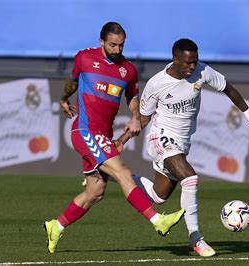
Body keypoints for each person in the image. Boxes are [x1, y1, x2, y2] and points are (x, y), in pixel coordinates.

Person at [116, 38, 249, 257]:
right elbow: (142, 119)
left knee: (157, 196)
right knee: (190, 178)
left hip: (182, 142)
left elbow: (228, 88)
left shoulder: (202, 71)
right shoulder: (156, 84)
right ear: (175, 59)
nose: (192, 67)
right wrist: (122, 140)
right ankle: (195, 238)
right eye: (188, 62)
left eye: (195, 62)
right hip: (160, 138)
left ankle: (113, 173)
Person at [43, 22, 185, 254]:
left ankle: (55, 226)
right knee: (123, 172)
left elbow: (132, 96)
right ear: (101, 41)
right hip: (85, 130)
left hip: (103, 134)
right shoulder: (85, 58)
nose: (117, 50)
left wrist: (135, 116)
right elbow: (73, 81)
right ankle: (157, 221)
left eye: (121, 45)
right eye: (112, 45)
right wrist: (63, 98)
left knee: (95, 192)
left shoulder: (128, 70)